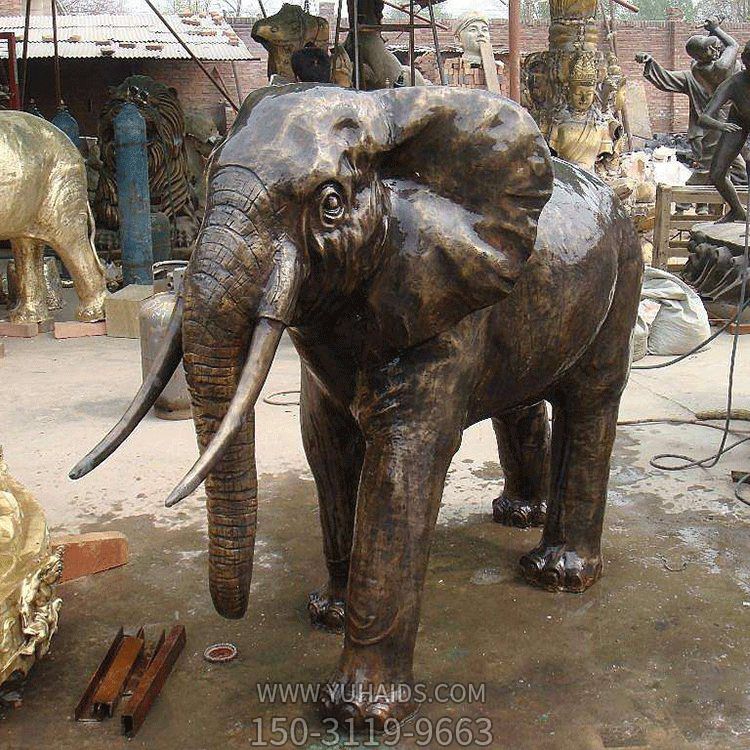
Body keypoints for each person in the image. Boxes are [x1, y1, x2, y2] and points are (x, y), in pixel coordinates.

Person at [637, 17, 745, 192]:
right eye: (710, 49)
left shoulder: (699, 69)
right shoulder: (719, 72)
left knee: (734, 169)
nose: (716, 50)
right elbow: (732, 46)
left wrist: (712, 31)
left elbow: (710, 49)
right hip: (708, 131)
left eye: (715, 47)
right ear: (702, 55)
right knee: (709, 170)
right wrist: (716, 29)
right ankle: (686, 201)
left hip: (723, 128)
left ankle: (726, 202)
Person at [699, 40, 750, 223]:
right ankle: (737, 211)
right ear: (745, 61)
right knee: (717, 174)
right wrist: (722, 126)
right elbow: (704, 118)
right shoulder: (733, 83)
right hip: (738, 123)